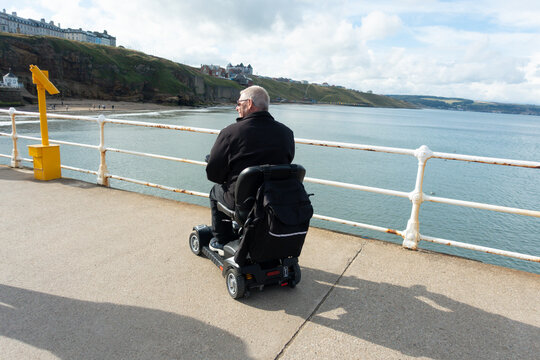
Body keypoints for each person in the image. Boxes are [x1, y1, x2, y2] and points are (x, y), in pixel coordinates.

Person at [206, 85, 295, 255]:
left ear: (249, 103)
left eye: (239, 103)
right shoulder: (286, 133)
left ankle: (221, 240)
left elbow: (213, 175)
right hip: (274, 199)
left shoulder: (230, 133)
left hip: (243, 202)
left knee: (215, 191)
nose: (236, 107)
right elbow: (285, 163)